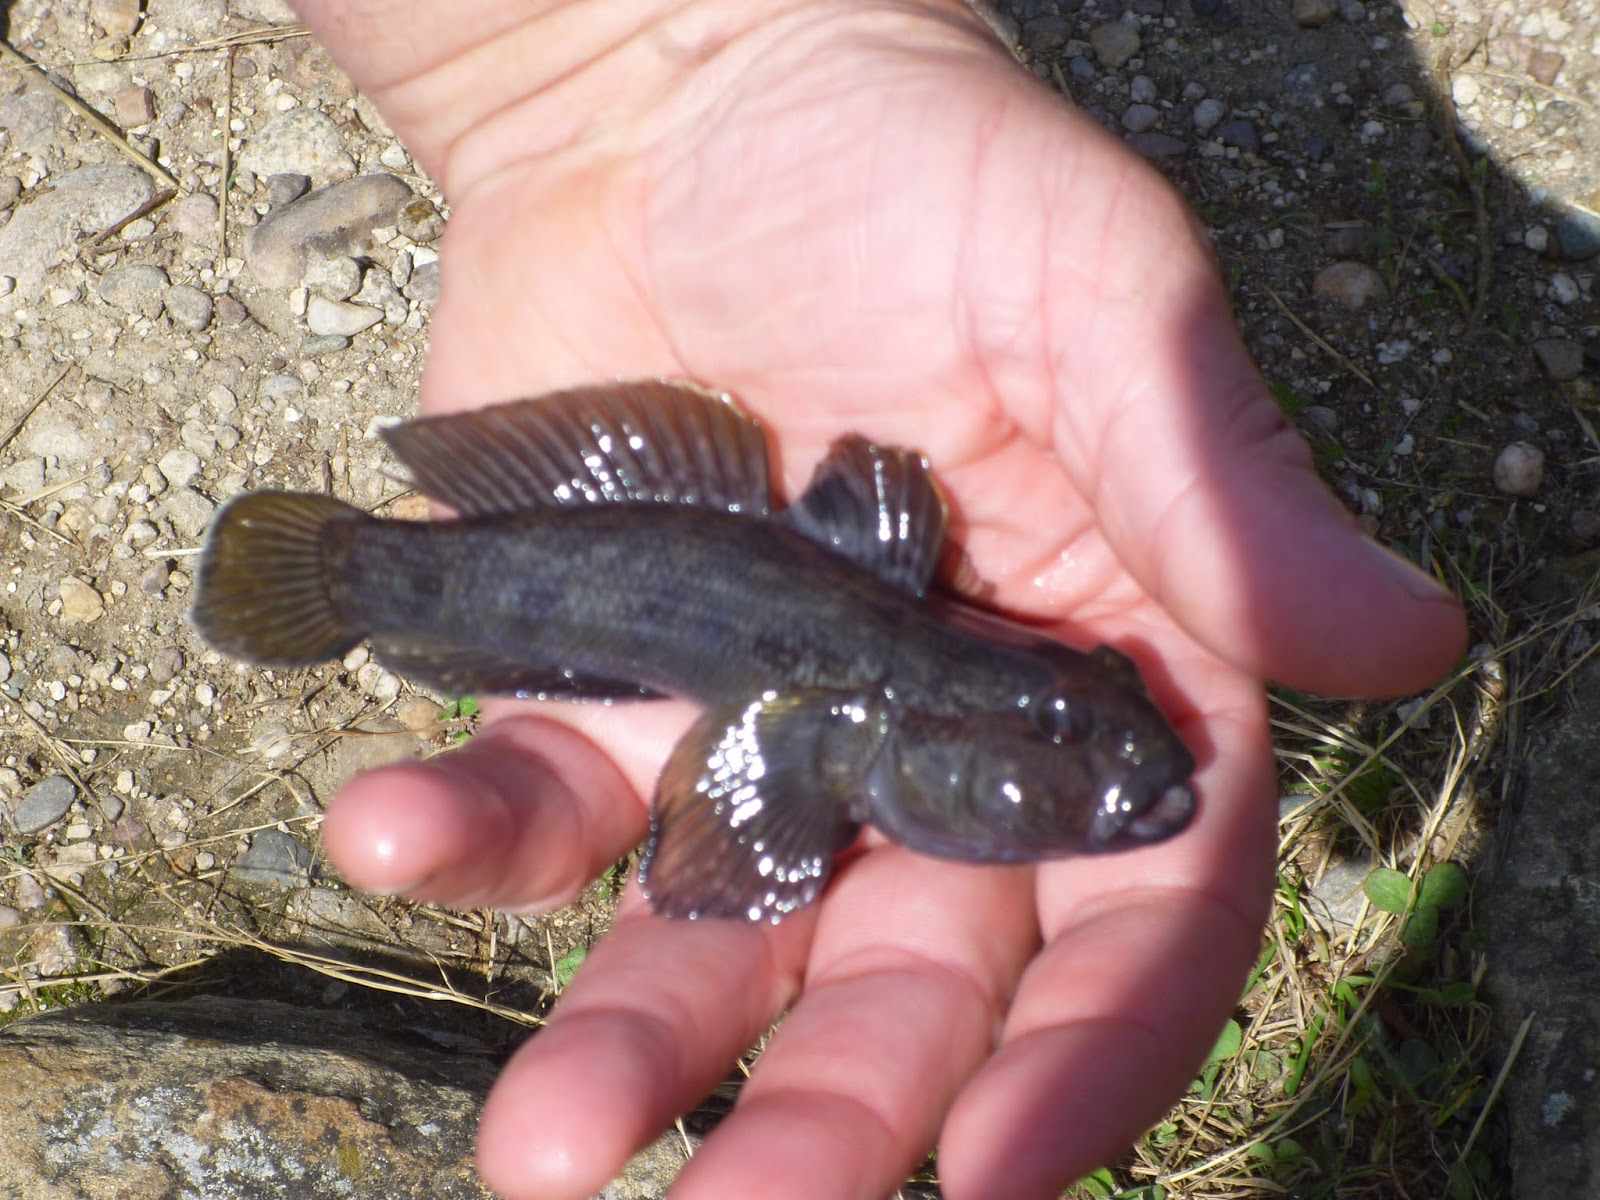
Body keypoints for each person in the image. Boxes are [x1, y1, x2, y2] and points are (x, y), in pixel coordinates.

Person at [285, 2, 1467, 1197]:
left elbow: (748, 797)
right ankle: (359, 572)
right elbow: (748, 805)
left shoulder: (873, 637)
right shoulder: (847, 674)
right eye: (1060, 726)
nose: (1100, 754)